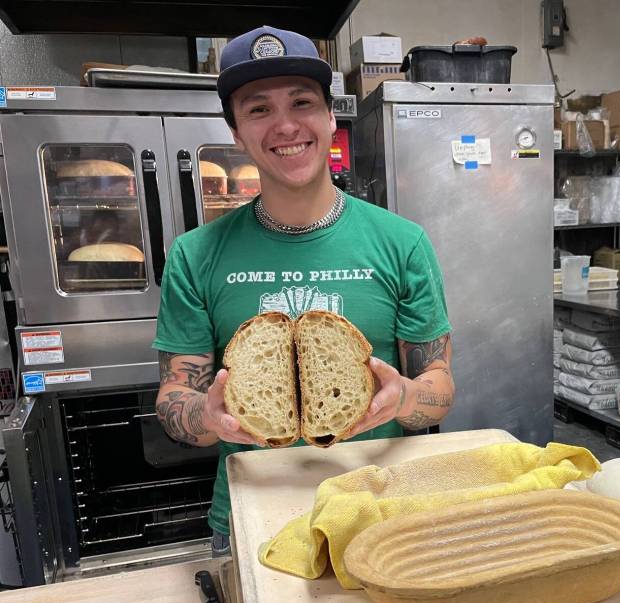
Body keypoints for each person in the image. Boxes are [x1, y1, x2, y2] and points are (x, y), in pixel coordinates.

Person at [153, 26, 455, 557]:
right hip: (251, 517)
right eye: (258, 109)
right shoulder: (195, 255)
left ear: (329, 117)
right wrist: (208, 418)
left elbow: (439, 386)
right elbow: (174, 397)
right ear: (235, 133)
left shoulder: (401, 243)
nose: (286, 124)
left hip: (378, 511)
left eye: (302, 102)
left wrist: (402, 397)